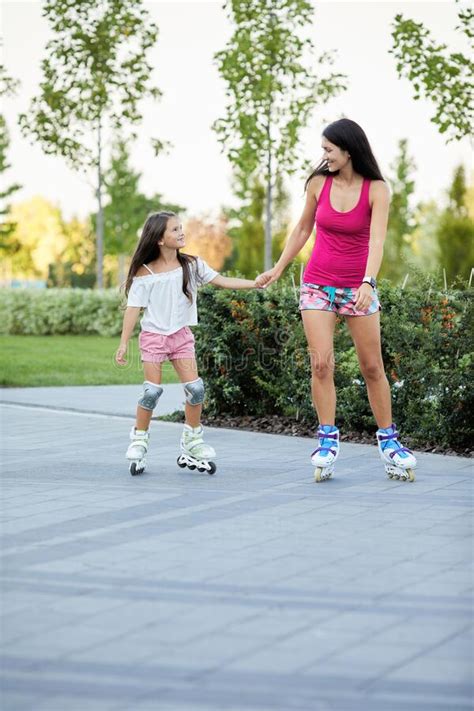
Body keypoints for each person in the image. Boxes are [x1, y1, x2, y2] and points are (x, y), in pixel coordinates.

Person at [256, 118, 417, 482]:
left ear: (349, 150)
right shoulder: (318, 183)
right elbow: (301, 229)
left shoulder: (377, 189)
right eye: (323, 149)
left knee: (372, 366)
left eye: (329, 149)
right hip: (316, 285)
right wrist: (279, 268)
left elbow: (376, 241)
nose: (324, 155)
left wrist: (368, 282)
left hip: (357, 288)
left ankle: (389, 440)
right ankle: (327, 438)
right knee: (322, 364)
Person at [116, 211, 256, 475]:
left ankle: (192, 440)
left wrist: (255, 284)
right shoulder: (144, 273)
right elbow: (133, 309)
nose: (181, 233)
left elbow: (222, 281)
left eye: (181, 228)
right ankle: (139, 439)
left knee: (196, 389)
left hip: (180, 336)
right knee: (151, 392)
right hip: (154, 337)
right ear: (159, 239)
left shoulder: (192, 265)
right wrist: (124, 343)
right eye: (174, 230)